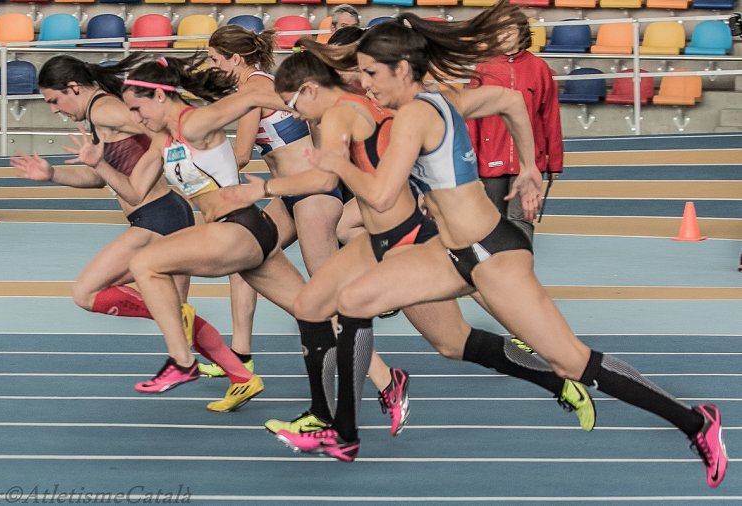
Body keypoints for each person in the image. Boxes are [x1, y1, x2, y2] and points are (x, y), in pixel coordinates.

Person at [285, 4, 727, 488]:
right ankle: (343, 434)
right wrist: (531, 166)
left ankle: (696, 422)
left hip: (493, 254)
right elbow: (512, 103)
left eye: (372, 73)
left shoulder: (413, 115)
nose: (365, 83)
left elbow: (381, 194)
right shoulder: (442, 97)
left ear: (403, 69)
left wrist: (336, 163)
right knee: (352, 301)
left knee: (571, 360)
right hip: (448, 254)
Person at [222, 48, 596, 462]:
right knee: (316, 302)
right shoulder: (342, 110)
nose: (363, 80)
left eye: (367, 72)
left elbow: (507, 100)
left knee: (454, 343)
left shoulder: (414, 105)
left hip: (414, 240)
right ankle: (334, 415)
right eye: (356, 72)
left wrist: (529, 167)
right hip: (375, 239)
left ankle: (555, 380)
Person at [10, 55, 257, 411]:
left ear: (74, 88)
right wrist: (52, 175)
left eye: (54, 101)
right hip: (159, 215)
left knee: (86, 292)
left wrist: (173, 142)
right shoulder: (103, 114)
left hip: (157, 217)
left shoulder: (105, 110)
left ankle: (186, 333)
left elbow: (158, 124)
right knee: (172, 314)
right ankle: (241, 376)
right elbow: (100, 177)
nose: (54, 110)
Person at [204, 25, 413, 436]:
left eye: (215, 59)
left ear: (234, 59)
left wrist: (195, 158)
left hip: (313, 198)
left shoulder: (253, 92)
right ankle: (242, 359)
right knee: (242, 256)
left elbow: (242, 155)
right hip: (292, 195)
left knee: (326, 300)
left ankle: (388, 381)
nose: (213, 66)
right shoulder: (268, 86)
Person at [466, 13, 563, 241]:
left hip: (529, 161)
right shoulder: (483, 69)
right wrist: (471, 162)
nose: (504, 35)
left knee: (521, 220)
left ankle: (520, 266)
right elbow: (472, 121)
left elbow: (550, 116)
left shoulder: (539, 68)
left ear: (522, 32)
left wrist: (555, 162)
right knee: (492, 220)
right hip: (490, 160)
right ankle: (493, 270)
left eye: (509, 29)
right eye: (499, 29)